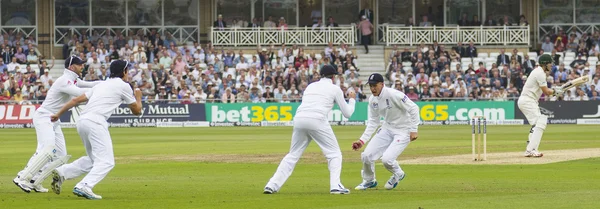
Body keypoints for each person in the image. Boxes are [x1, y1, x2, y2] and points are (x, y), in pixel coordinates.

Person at [49, 60, 143, 200]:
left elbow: (76, 101)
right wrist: (139, 98)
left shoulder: (103, 84)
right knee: (107, 161)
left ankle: (63, 172)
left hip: (82, 121)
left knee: (94, 159)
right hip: (96, 121)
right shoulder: (124, 86)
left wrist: (58, 114)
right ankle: (84, 186)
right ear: (124, 72)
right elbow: (136, 111)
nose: (128, 73)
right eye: (127, 70)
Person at [264, 65, 356, 195]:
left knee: (292, 155)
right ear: (334, 76)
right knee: (334, 154)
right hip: (317, 119)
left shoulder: (311, 86)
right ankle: (335, 186)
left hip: (299, 119)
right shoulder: (335, 89)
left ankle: (272, 185)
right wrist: (352, 99)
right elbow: (347, 113)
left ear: (320, 75)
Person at [13, 56, 100, 193]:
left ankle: (36, 181)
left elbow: (90, 84)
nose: (82, 67)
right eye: (79, 65)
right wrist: (103, 93)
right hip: (44, 116)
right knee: (46, 149)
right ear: (72, 67)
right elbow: (80, 94)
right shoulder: (65, 81)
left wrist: (108, 84)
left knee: (60, 155)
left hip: (54, 120)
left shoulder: (73, 79)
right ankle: (23, 177)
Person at [351, 73, 420, 190]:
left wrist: (414, 129)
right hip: (387, 127)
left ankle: (398, 173)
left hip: (403, 130)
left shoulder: (394, 94)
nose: (373, 89)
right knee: (366, 156)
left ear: (382, 84)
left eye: (375, 85)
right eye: (371, 86)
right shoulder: (372, 100)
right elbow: (373, 122)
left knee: (387, 160)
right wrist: (362, 141)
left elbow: (414, 108)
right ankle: (369, 180)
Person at [518, 54, 563, 157]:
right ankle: (531, 150)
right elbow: (546, 92)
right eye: (550, 63)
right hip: (527, 100)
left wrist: (555, 91)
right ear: (545, 63)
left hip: (529, 101)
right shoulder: (539, 73)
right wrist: (556, 91)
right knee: (540, 122)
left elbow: (547, 91)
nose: (551, 65)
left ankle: (530, 147)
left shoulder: (539, 71)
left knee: (537, 123)